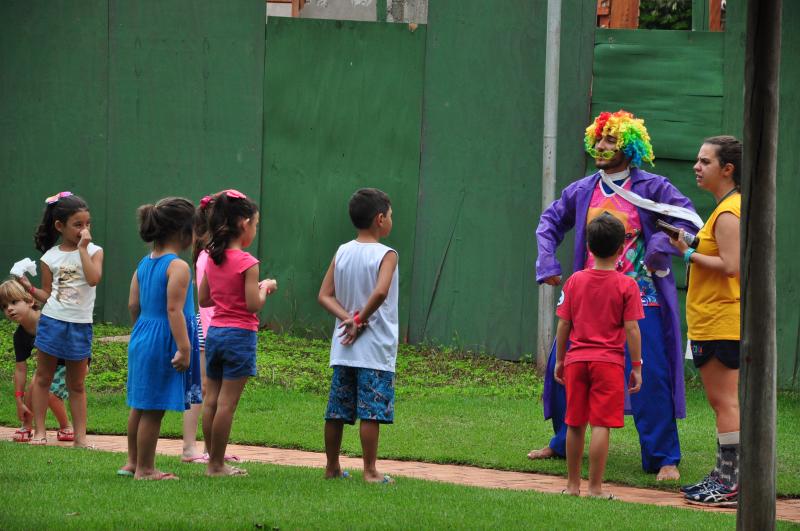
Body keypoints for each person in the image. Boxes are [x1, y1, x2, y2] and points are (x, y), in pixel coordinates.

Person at [531, 111, 701, 481]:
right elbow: (549, 223)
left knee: (651, 373)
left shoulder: (653, 187)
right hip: (590, 295)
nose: (602, 146)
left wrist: (657, 246)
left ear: (631, 146)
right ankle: (562, 441)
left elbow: (688, 220)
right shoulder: (582, 190)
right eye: (599, 138)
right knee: (566, 367)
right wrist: (547, 263)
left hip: (640, 297)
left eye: (611, 140)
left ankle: (663, 457)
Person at [670, 136, 741, 506]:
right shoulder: (724, 208)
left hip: (721, 321)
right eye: (697, 161)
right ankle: (723, 476)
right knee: (721, 402)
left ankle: (731, 485)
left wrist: (688, 253)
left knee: (725, 402)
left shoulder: (729, 212)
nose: (696, 167)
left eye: (705, 162)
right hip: (711, 321)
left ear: (727, 169)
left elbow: (732, 266)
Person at [555, 214, 644, 498]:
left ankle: (571, 486)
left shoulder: (574, 281)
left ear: (589, 248)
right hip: (609, 363)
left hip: (576, 360)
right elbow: (632, 328)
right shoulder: (627, 285)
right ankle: (594, 488)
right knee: (601, 424)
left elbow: (563, 324)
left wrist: (559, 360)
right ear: (621, 249)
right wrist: (637, 366)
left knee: (575, 423)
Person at [317, 188, 399, 483]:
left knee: (336, 410)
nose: (391, 220)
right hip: (375, 349)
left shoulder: (342, 251)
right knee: (371, 412)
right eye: (390, 216)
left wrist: (348, 319)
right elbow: (380, 291)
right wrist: (360, 320)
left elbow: (324, 295)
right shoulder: (387, 255)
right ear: (380, 219)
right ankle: (370, 471)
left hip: (344, 348)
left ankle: (332, 468)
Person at [119, 197, 199, 480]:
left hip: (142, 334)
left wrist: (141, 332)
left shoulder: (143, 263)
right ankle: (146, 469)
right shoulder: (178, 267)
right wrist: (184, 346)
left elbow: (133, 305)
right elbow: (174, 309)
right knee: (154, 409)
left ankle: (131, 462)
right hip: (164, 340)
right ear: (183, 232)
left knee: (140, 404)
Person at [199, 189, 277, 477]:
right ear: (244, 224)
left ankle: (212, 460)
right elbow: (253, 305)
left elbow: (204, 299)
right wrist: (265, 287)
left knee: (212, 401)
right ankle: (217, 465)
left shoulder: (211, 257)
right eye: (255, 225)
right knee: (227, 405)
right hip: (239, 336)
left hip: (216, 333)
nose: (255, 230)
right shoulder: (248, 263)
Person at [18, 192, 103, 447]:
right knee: (43, 378)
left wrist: (83, 249)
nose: (84, 229)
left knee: (76, 384)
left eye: (87, 224)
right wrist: (29, 289)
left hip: (80, 325)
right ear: (60, 226)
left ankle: (80, 438)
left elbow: (93, 279)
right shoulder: (49, 257)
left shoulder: (95, 251)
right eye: (78, 224)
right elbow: (47, 293)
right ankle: (41, 432)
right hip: (53, 321)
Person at [1, 279, 73, 443]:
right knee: (34, 384)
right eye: (4, 306)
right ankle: (27, 425)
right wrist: (19, 399)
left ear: (30, 301)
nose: (9, 308)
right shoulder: (19, 336)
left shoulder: (48, 321)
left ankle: (66, 426)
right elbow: (20, 369)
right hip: (50, 364)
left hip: (72, 360)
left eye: (14, 302)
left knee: (45, 390)